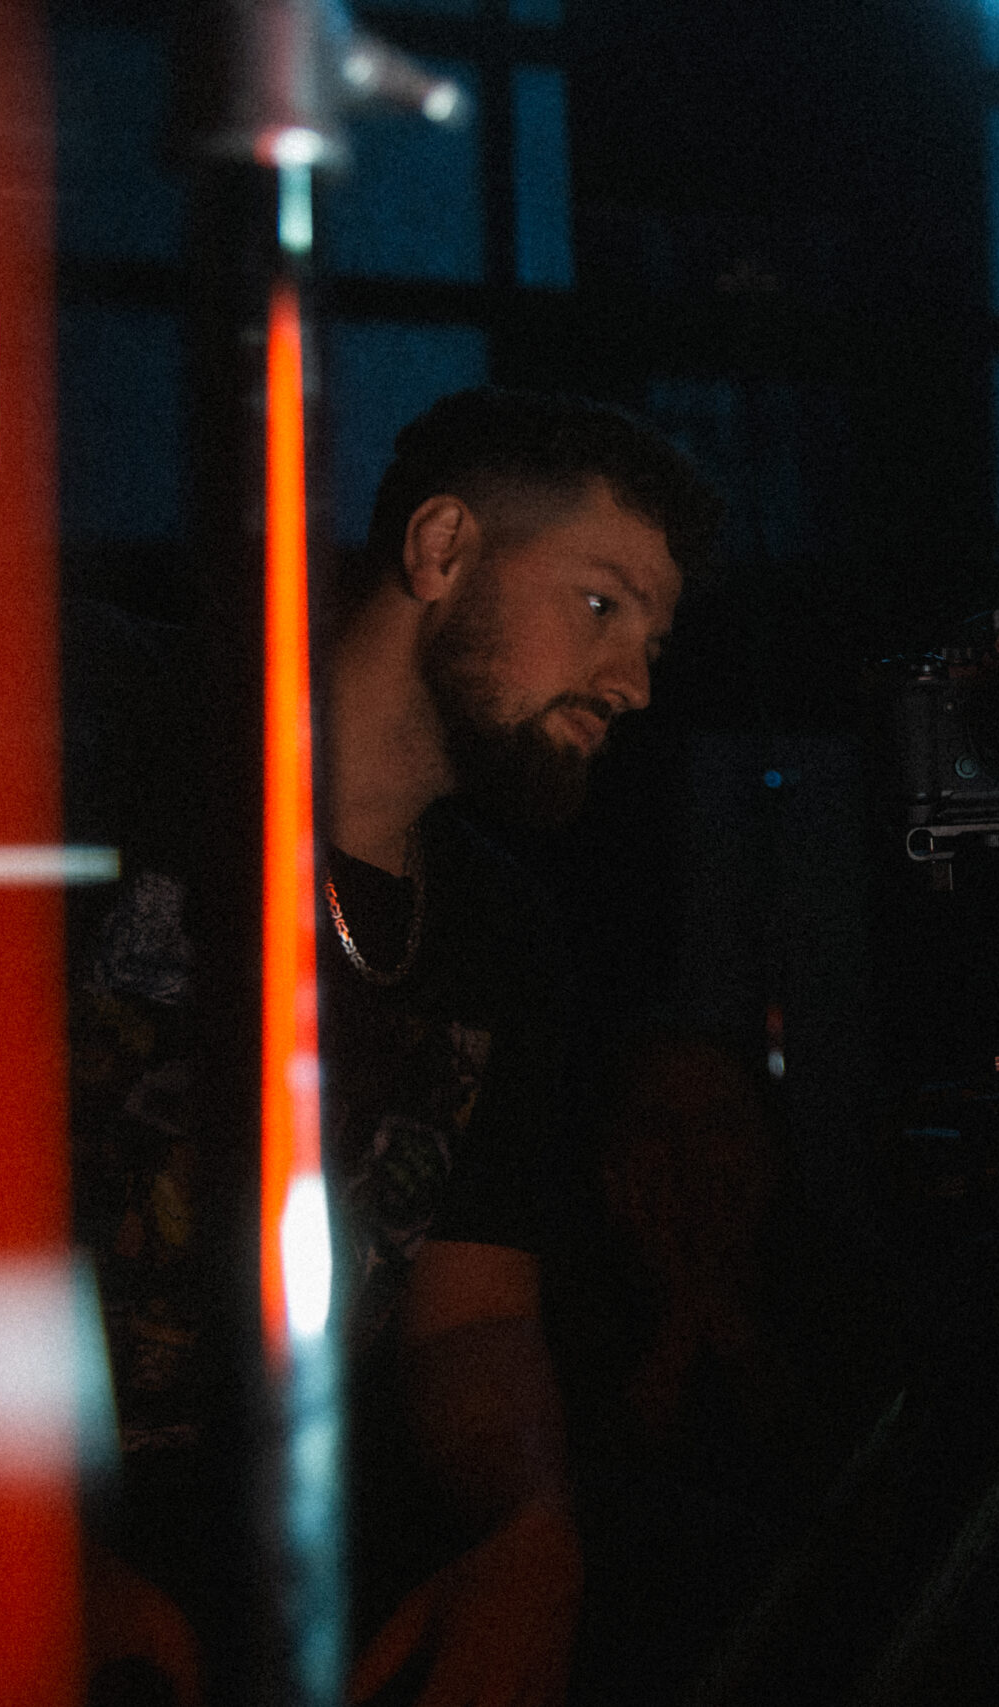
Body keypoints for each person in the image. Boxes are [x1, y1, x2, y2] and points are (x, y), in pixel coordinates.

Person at [72, 387, 720, 1707]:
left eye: (652, 637)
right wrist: (8, 1544)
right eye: (602, 604)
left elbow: (471, 1319)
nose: (634, 682)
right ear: (441, 549)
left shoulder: (501, 938)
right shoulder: (109, 717)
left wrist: (530, 1529)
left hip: (259, 1608)